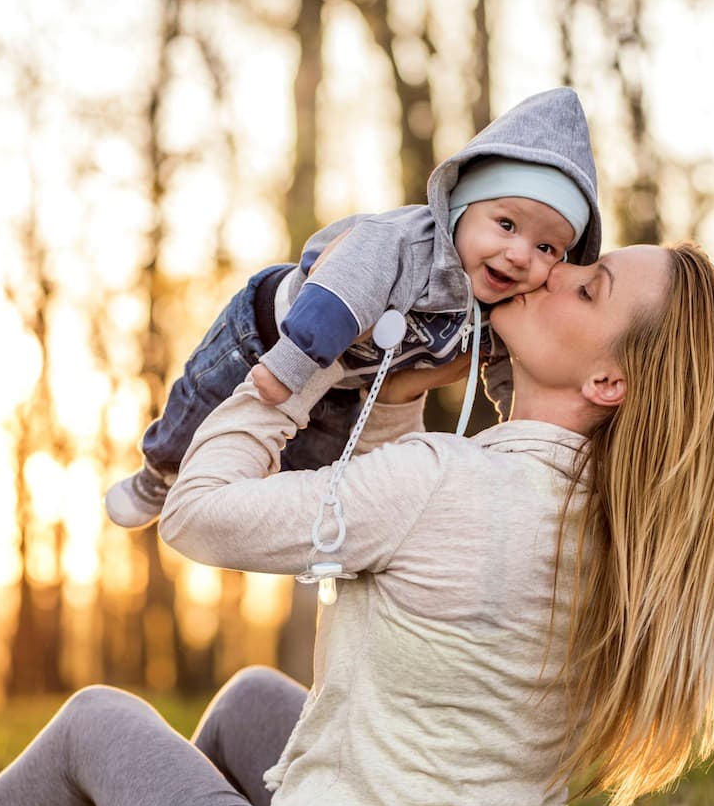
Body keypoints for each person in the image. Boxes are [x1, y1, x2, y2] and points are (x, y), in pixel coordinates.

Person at [0, 241, 714, 806]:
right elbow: (413, 534)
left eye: (588, 287)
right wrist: (397, 394)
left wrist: (287, 369)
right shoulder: (606, 527)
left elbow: (196, 511)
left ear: (608, 381)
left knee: (94, 722)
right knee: (250, 706)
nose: (554, 266)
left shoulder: (442, 483)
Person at [105, 86, 602, 529]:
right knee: (201, 407)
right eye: (507, 225)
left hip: (347, 384)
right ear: (461, 206)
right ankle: (158, 472)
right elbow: (341, 292)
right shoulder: (404, 245)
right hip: (271, 335)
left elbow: (509, 370)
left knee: (308, 468)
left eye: (547, 249)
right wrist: (291, 365)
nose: (520, 256)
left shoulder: (504, 303)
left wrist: (521, 437)